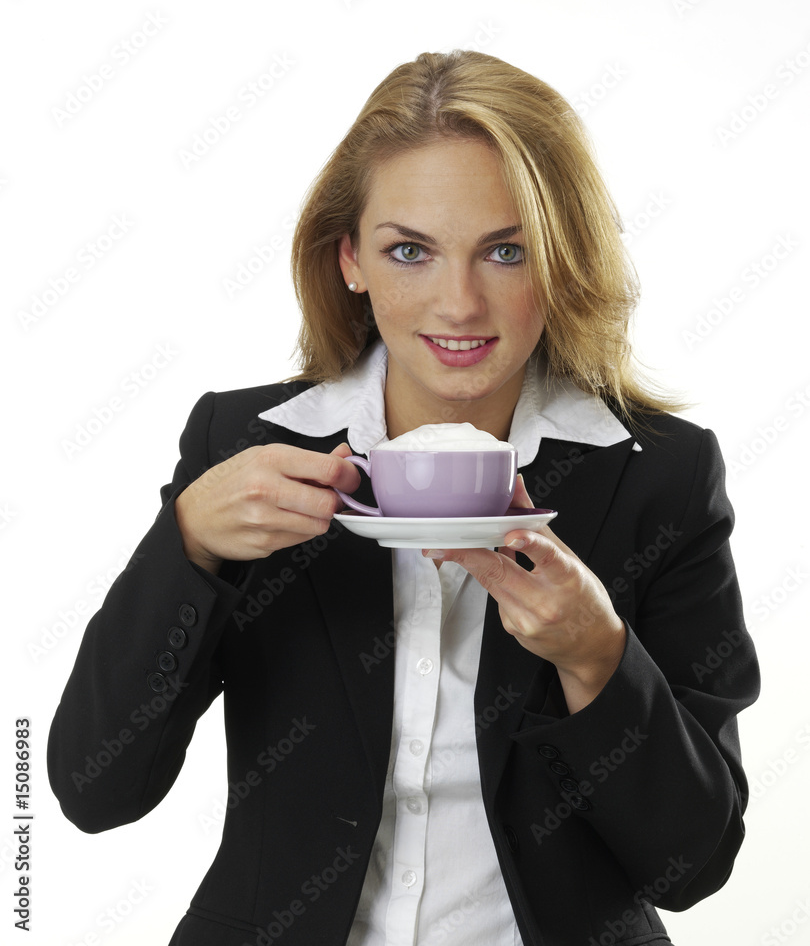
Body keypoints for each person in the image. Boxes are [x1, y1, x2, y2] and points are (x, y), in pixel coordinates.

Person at [48, 50, 760, 946]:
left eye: (506, 251)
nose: (458, 304)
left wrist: (596, 657)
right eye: (409, 251)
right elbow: (95, 790)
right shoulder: (245, 444)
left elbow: (695, 865)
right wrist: (186, 546)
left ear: (562, 259)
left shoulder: (658, 474)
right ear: (350, 258)